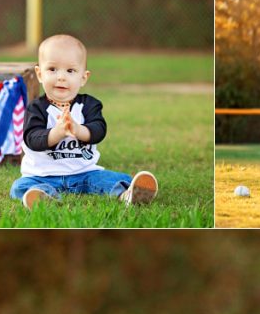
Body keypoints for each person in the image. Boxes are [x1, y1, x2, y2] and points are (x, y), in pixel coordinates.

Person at [10, 33, 158, 209]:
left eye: (70, 71)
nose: (61, 77)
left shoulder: (89, 105)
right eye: (52, 69)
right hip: (42, 175)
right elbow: (32, 139)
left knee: (115, 179)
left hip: (84, 174)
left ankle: (126, 195)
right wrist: (57, 133)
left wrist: (78, 130)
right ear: (39, 74)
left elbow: (99, 130)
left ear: (83, 77)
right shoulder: (36, 108)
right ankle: (46, 197)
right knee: (19, 187)